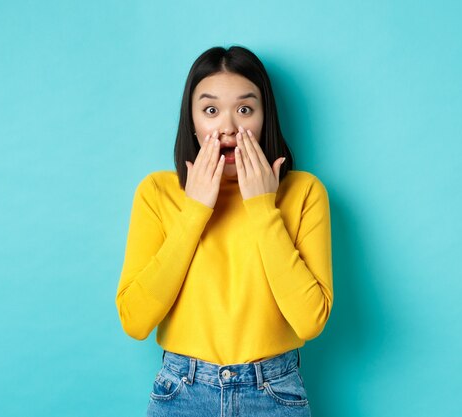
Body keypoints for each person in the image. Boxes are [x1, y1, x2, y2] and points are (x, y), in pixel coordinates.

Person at [115, 45, 333, 417]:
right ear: (193, 122)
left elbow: (310, 320)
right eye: (211, 110)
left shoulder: (304, 193)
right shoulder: (157, 193)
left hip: (274, 391)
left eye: (245, 109)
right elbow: (135, 322)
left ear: (265, 118)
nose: (229, 127)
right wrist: (195, 211)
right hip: (182, 390)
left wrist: (263, 207)